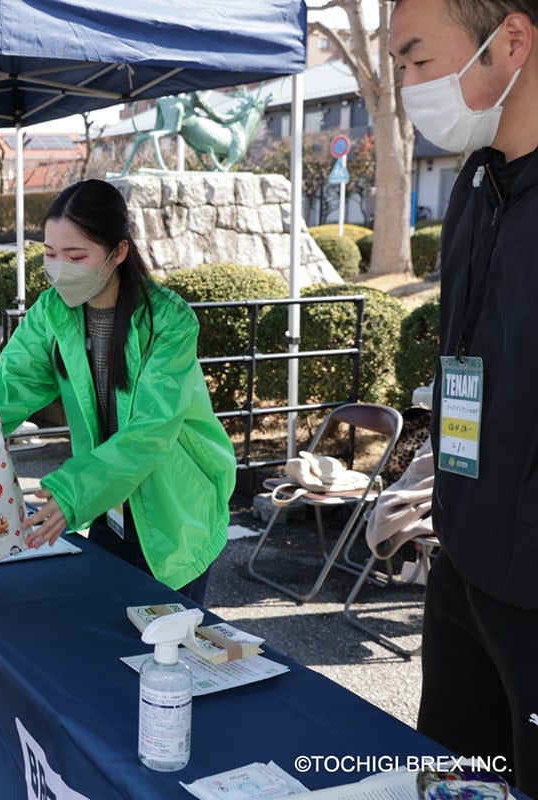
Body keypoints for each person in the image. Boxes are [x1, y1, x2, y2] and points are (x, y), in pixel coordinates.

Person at [390, 1, 538, 792]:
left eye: (417, 61)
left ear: (511, 40)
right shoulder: (477, 188)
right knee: (449, 773)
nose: (411, 87)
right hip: (461, 565)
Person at [0, 179, 236, 606]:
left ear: (118, 253)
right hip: (106, 502)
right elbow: (10, 388)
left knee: (165, 644)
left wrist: (71, 493)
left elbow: (151, 431)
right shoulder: (52, 310)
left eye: (76, 256)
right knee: (108, 635)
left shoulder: (168, 322)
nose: (60, 267)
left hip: (176, 506)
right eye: (49, 254)